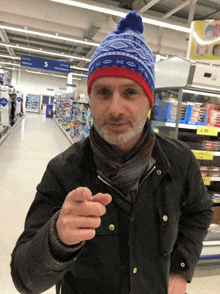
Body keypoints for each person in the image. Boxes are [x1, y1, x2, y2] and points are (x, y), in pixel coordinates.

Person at [11, 11, 213, 294]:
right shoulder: (63, 171)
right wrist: (56, 239)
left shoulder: (180, 161)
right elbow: (24, 279)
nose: (115, 109)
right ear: (91, 98)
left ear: (149, 101)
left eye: (130, 92)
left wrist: (180, 269)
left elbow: (199, 212)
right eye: (103, 92)